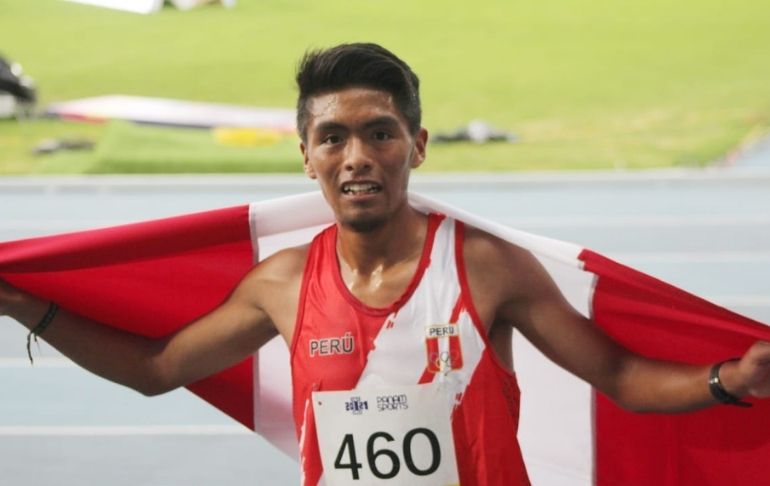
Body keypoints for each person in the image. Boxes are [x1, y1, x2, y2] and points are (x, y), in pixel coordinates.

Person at [1, 42, 769, 486]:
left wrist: (728, 381)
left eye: (381, 132)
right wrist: (20, 305)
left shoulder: (485, 268)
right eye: (333, 137)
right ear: (306, 156)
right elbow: (158, 368)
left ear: (419, 145)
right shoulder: (285, 282)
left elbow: (622, 379)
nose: (358, 157)